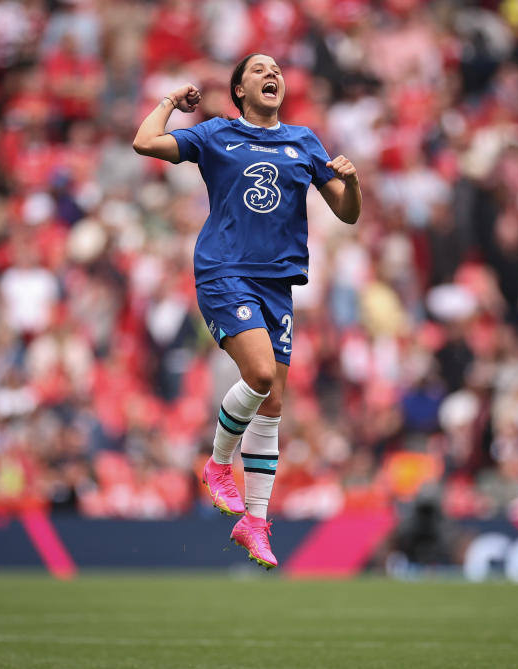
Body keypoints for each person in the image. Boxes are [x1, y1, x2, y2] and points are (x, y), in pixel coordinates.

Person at [132, 53, 361, 568]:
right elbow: (144, 141)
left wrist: (354, 182)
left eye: (276, 69)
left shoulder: (305, 141)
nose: (271, 74)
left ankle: (254, 523)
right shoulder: (215, 134)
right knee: (259, 374)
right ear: (238, 90)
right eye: (258, 69)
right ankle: (216, 467)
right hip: (225, 272)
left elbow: (345, 213)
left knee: (274, 404)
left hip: (278, 283)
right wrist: (171, 101)